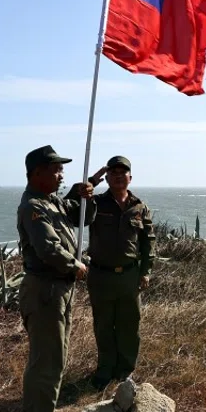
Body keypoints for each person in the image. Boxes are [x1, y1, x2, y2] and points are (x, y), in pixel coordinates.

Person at [15, 145, 104, 412]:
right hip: (44, 290)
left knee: (57, 357)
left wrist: (86, 191)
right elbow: (48, 249)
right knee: (46, 360)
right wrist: (75, 264)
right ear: (37, 173)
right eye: (56, 169)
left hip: (57, 290)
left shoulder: (51, 201)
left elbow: (81, 218)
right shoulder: (33, 207)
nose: (61, 174)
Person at [85, 155, 157, 389]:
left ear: (130, 177)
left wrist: (145, 271)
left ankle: (124, 371)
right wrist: (89, 183)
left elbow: (149, 242)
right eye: (113, 173)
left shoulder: (140, 207)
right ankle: (105, 370)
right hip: (101, 275)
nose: (118, 176)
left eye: (122, 172)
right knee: (104, 326)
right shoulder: (94, 203)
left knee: (129, 326)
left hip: (129, 276)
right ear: (106, 177)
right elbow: (74, 213)